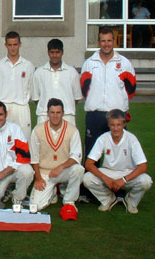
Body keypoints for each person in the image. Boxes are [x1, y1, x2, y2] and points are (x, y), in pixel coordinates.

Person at [80, 26, 136, 202]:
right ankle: (89, 192)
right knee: (91, 154)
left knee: (119, 155)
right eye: (103, 41)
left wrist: (118, 105)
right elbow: (84, 88)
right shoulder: (90, 63)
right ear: (99, 42)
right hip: (95, 114)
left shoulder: (124, 63)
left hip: (116, 116)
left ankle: (120, 192)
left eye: (109, 40)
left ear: (114, 41)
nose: (106, 44)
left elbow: (131, 89)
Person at [83, 109, 152, 214]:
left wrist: (123, 180)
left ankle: (131, 201)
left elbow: (143, 166)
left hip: (127, 173)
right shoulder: (103, 138)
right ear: (108, 125)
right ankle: (107, 199)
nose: (115, 129)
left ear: (124, 124)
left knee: (146, 181)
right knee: (87, 178)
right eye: (112, 125)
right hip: (108, 172)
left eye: (119, 125)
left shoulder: (131, 139)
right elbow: (88, 163)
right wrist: (105, 178)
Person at [29, 98, 84, 211]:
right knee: (35, 206)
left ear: (63, 113)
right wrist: (38, 178)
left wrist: (61, 167)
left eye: (58, 112)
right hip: (45, 172)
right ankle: (52, 193)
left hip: (63, 171)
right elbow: (34, 158)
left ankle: (69, 201)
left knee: (78, 169)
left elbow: (76, 156)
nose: (55, 116)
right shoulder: (37, 130)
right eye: (52, 112)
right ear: (47, 113)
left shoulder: (72, 130)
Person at [0, 101, 34, 206]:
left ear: (6, 114)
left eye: (0, 114)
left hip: (13, 171)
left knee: (27, 171)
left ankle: (18, 198)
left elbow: (24, 157)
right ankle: (4, 192)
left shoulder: (15, 129)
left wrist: (4, 172)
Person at [0, 31, 35, 140]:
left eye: (15, 44)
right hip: (4, 108)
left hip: (22, 108)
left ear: (20, 44)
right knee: (3, 141)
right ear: (5, 45)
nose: (12, 48)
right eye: (10, 45)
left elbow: (31, 89)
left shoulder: (28, 65)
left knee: (23, 140)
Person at [32, 39, 82, 126]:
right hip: (44, 116)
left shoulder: (72, 72)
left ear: (62, 52)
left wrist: (63, 109)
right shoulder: (39, 73)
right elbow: (36, 98)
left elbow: (76, 98)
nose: (55, 55)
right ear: (48, 53)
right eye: (52, 52)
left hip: (67, 116)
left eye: (57, 52)